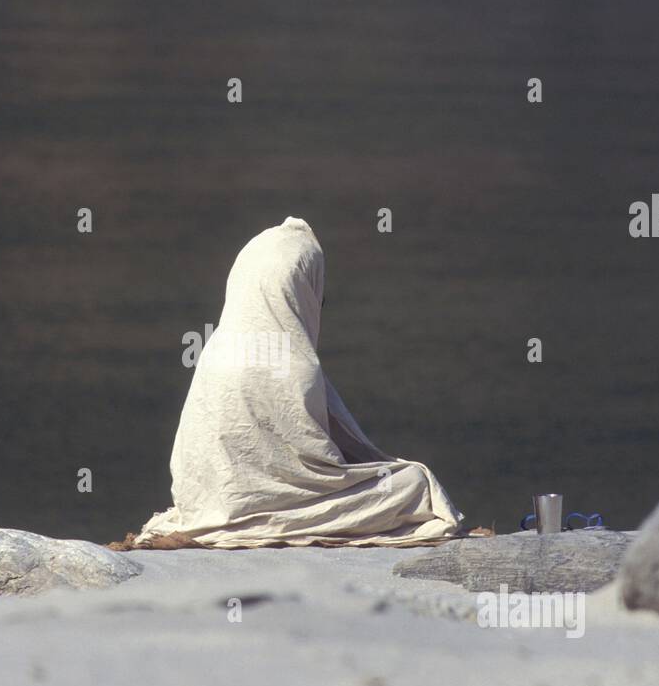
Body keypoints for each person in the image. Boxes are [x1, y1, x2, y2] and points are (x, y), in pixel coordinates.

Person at [126, 216, 465, 549]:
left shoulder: (215, 349)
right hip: (276, 507)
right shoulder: (294, 363)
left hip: (205, 506)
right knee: (415, 486)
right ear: (299, 286)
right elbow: (319, 460)